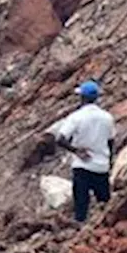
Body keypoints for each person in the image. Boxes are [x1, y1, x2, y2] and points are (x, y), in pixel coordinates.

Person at [43, 80, 115, 223]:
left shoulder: (76, 117)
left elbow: (60, 139)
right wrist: (109, 159)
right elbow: (110, 140)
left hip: (82, 165)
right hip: (101, 166)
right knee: (105, 203)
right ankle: (105, 230)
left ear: (82, 97)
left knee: (81, 205)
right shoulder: (107, 117)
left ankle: (81, 229)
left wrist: (75, 151)